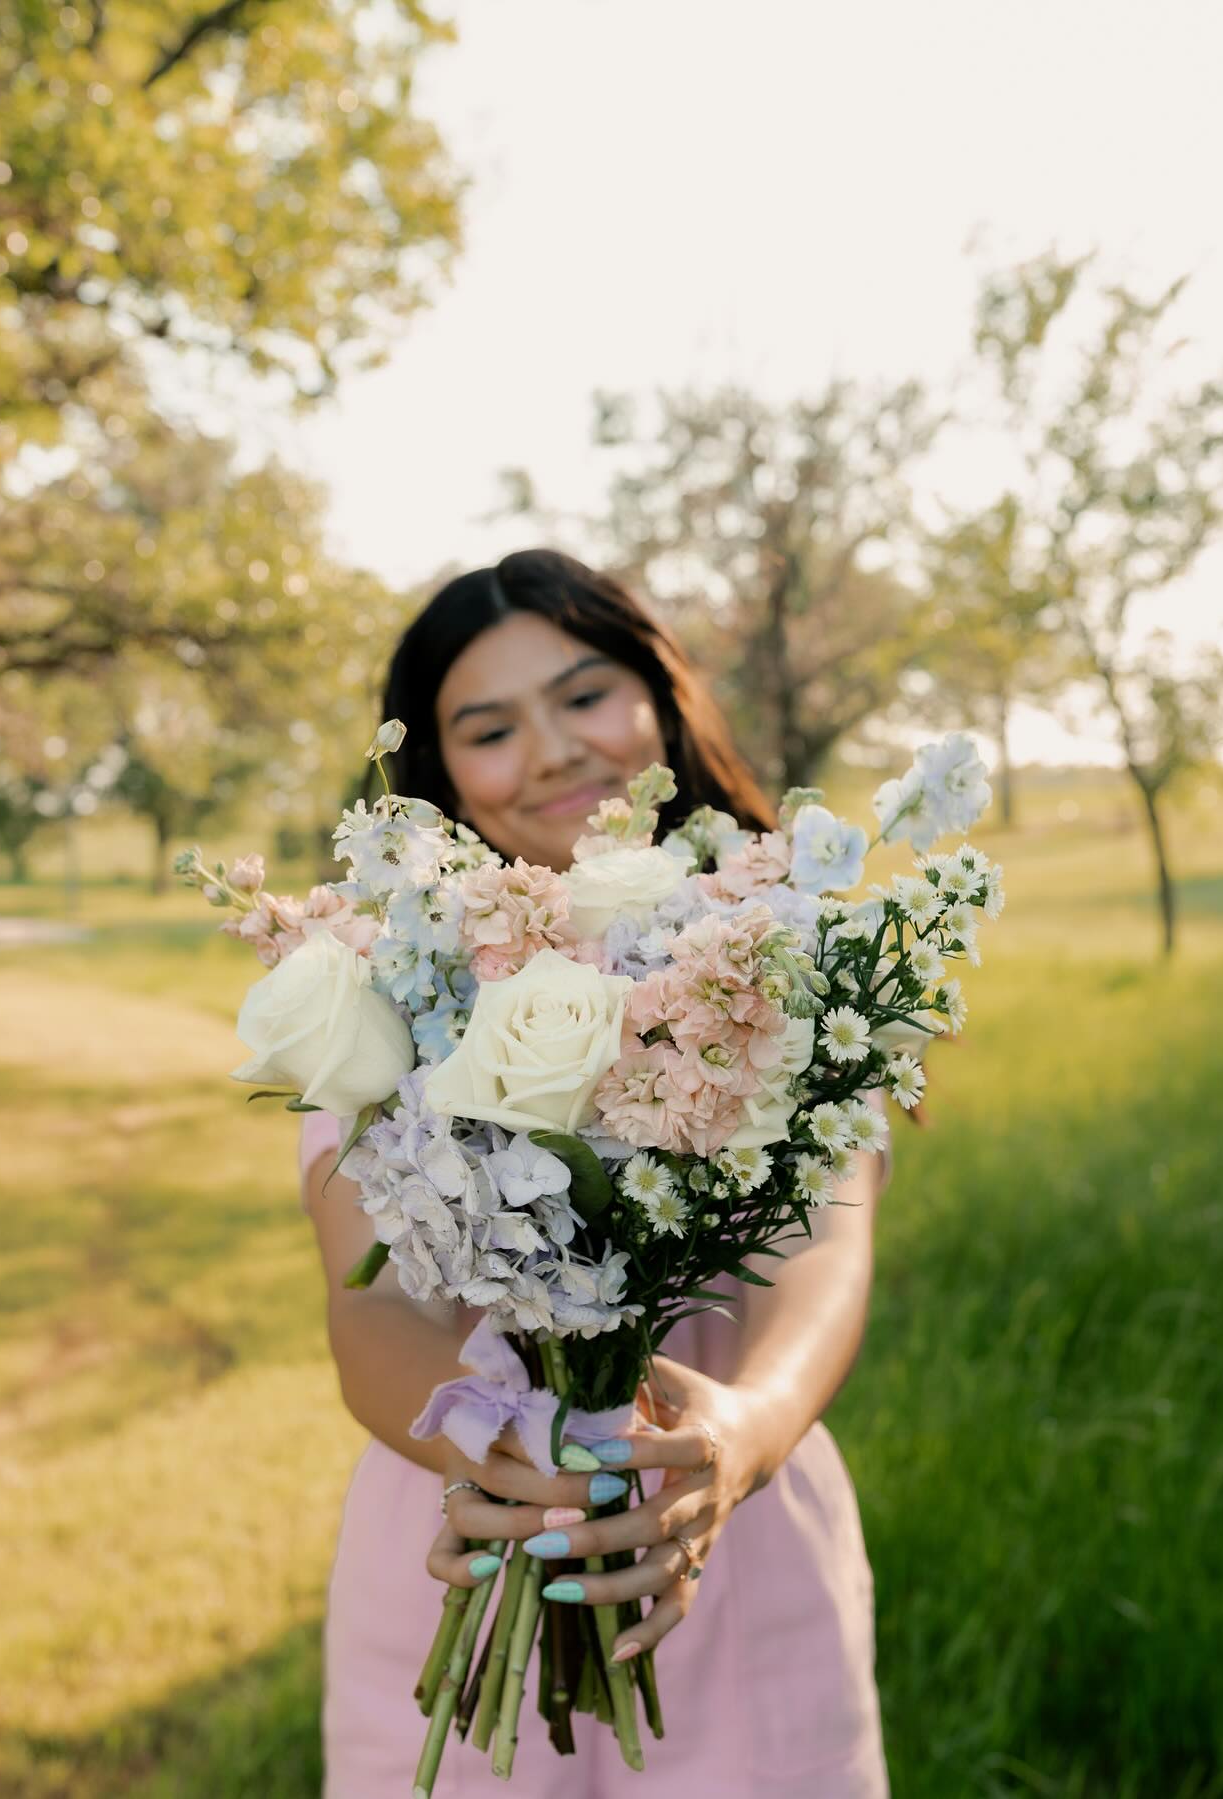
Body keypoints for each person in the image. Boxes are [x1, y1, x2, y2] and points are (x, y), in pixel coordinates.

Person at [297, 549, 891, 1796]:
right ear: (438, 768)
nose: (557, 749)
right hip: (467, 1519)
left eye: (584, 695)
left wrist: (744, 1430)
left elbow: (826, 1249)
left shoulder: (783, 950)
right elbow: (372, 1306)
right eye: (490, 726)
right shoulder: (383, 980)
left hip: (732, 1514)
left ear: (660, 699)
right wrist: (511, 1461)